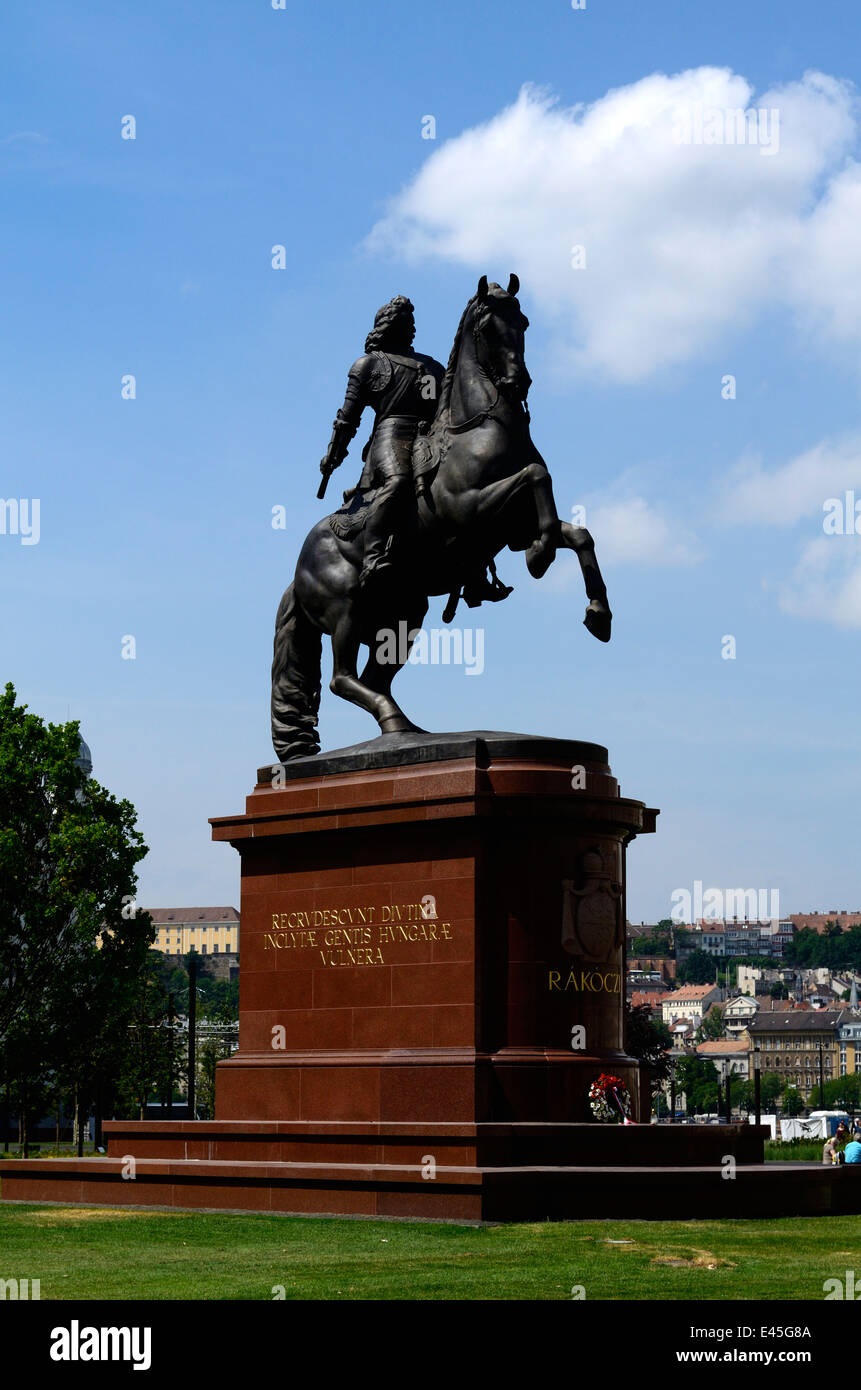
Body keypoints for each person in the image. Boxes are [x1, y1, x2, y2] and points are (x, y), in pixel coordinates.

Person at [319, 295, 445, 589]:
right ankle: (373, 555)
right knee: (399, 482)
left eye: (410, 321)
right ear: (386, 326)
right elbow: (347, 421)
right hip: (391, 434)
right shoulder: (368, 365)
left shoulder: (431, 367)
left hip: (430, 434)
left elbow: (444, 405)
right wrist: (333, 456)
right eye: (401, 320)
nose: (408, 326)